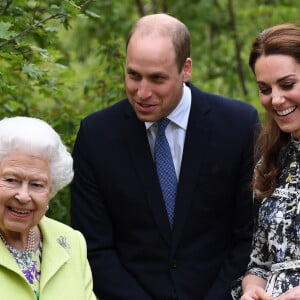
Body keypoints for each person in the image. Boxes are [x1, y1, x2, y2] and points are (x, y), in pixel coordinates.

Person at [70, 13, 260, 300]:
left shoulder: (238, 125)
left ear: (186, 69)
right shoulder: (96, 135)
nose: (142, 92)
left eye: (157, 78)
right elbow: (94, 247)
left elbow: (249, 235)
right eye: (133, 75)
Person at [231, 23, 300, 300]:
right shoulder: (272, 160)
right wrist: (252, 290)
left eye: (287, 84)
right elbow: (259, 263)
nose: (276, 99)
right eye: (265, 88)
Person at [0, 116, 96, 300]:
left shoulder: (71, 242)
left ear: (51, 190)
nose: (23, 196)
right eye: (12, 180)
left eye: (37, 184)